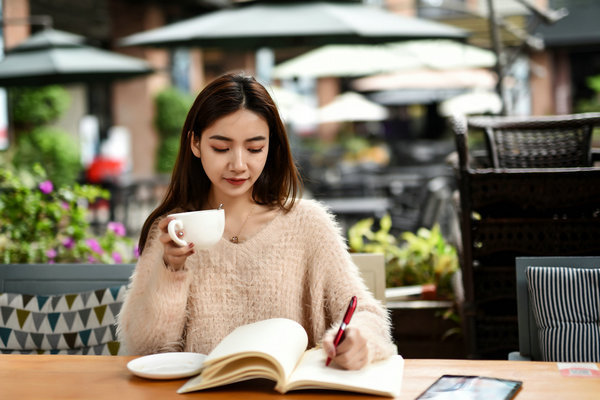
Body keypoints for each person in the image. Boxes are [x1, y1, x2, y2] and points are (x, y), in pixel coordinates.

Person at [117, 72, 396, 370]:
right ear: (195, 144)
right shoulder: (173, 228)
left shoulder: (308, 224)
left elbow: (366, 313)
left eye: (254, 149)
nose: (238, 164)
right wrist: (171, 270)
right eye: (221, 148)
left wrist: (358, 339)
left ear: (271, 147)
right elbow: (145, 349)